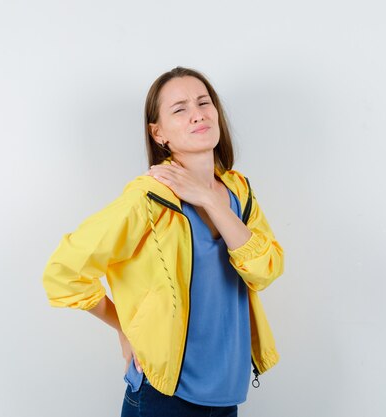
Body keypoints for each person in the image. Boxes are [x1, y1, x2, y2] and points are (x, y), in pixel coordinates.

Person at [42, 66, 284, 417]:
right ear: (158, 133)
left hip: (227, 397)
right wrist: (125, 327)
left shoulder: (238, 193)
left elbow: (266, 271)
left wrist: (212, 201)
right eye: (180, 109)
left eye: (204, 102)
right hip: (163, 398)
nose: (197, 114)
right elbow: (62, 273)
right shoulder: (147, 199)